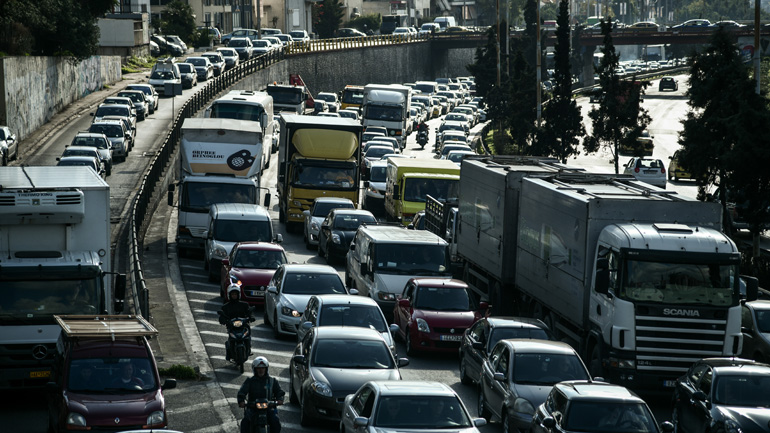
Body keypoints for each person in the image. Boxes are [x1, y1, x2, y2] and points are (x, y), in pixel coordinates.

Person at [238, 357, 285, 433]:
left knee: (275, 422)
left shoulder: (272, 381)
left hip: (269, 407)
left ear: (266, 369)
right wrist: (241, 401)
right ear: (255, 369)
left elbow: (279, 391)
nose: (261, 370)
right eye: (258, 368)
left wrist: (280, 399)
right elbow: (242, 392)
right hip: (253, 407)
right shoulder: (250, 381)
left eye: (263, 368)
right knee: (245, 423)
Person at [220, 284, 253, 360]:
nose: (234, 296)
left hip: (243, 326)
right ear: (229, 295)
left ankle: (248, 348)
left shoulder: (244, 304)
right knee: (231, 339)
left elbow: (249, 312)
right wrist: (223, 320)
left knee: (248, 336)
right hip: (232, 327)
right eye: (232, 294)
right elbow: (222, 315)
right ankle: (230, 353)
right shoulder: (226, 306)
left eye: (235, 294)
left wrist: (251, 317)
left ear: (238, 294)